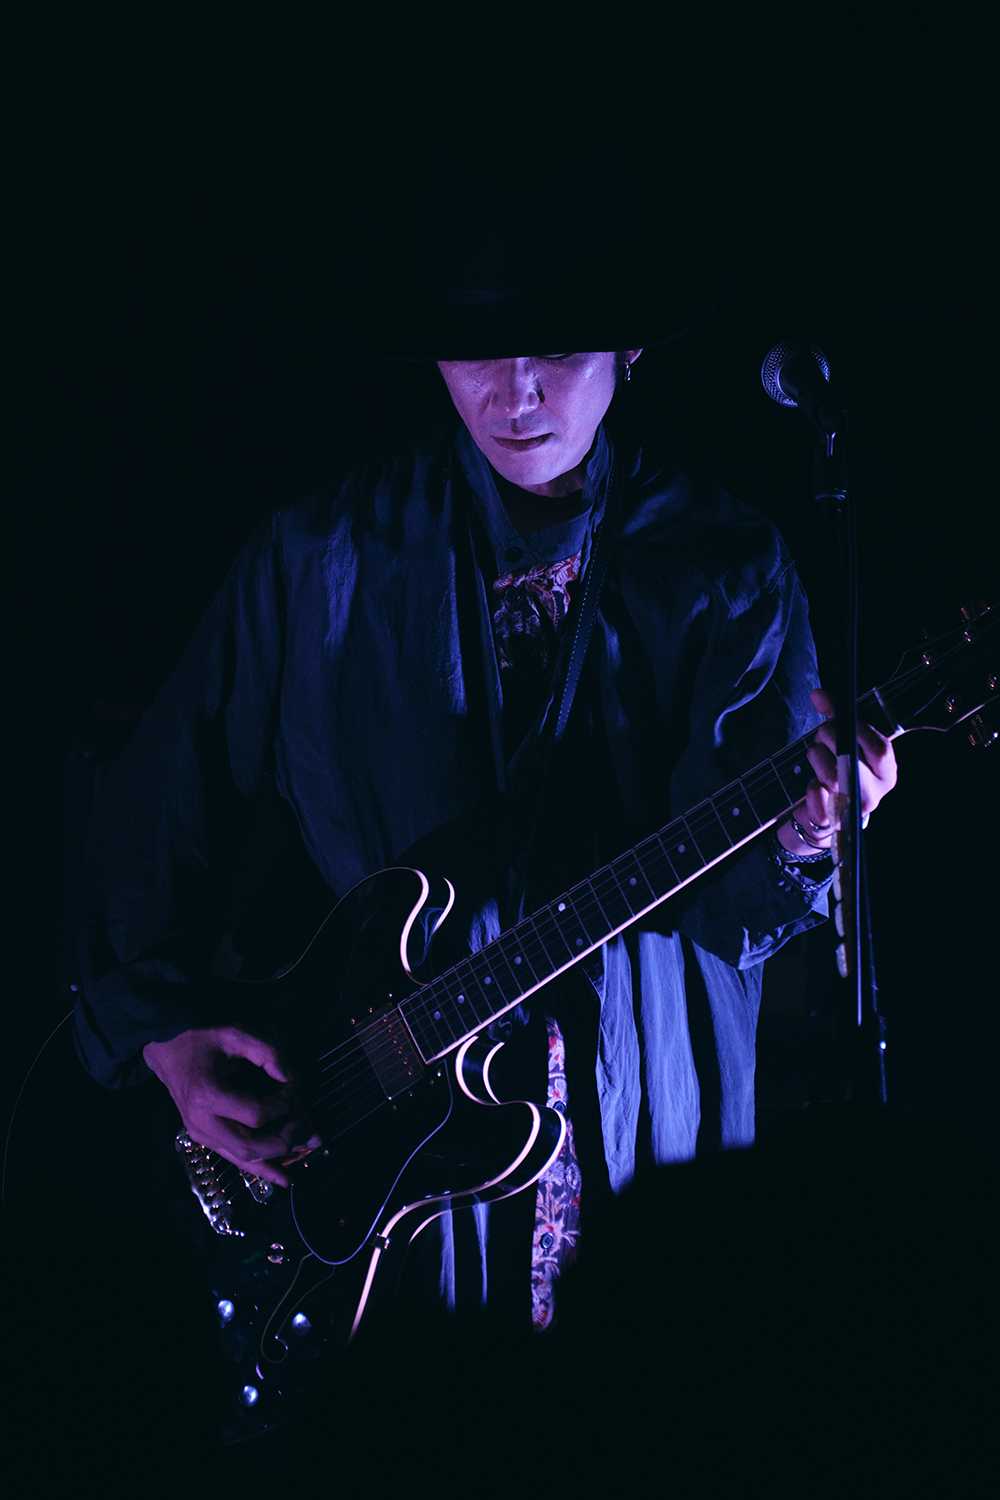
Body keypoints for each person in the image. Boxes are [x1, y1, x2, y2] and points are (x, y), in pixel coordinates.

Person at [74, 151, 896, 1327]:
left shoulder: (726, 565)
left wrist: (811, 833)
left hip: (649, 1107)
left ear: (627, 349)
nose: (516, 392)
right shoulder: (319, 558)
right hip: (376, 1140)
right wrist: (166, 1039)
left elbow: (737, 903)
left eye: (556, 351)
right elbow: (154, 815)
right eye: (476, 352)